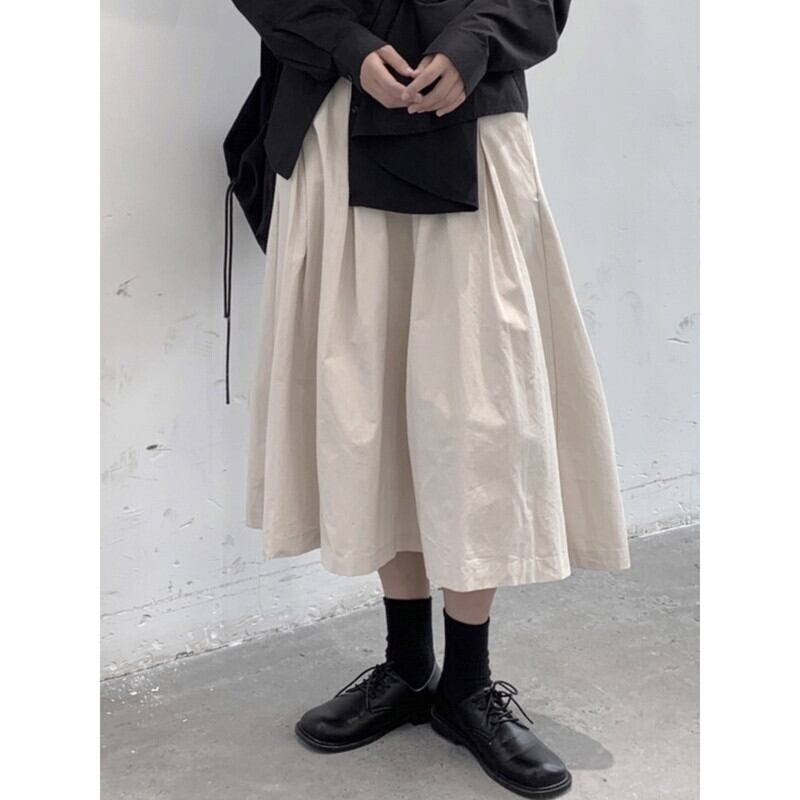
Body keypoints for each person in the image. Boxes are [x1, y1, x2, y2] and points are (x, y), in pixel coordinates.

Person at [229, 2, 630, 797]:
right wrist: (345, 43)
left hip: (472, 123)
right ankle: (409, 666)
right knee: (367, 399)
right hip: (338, 121)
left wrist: (477, 40)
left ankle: (467, 684)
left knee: (477, 410)